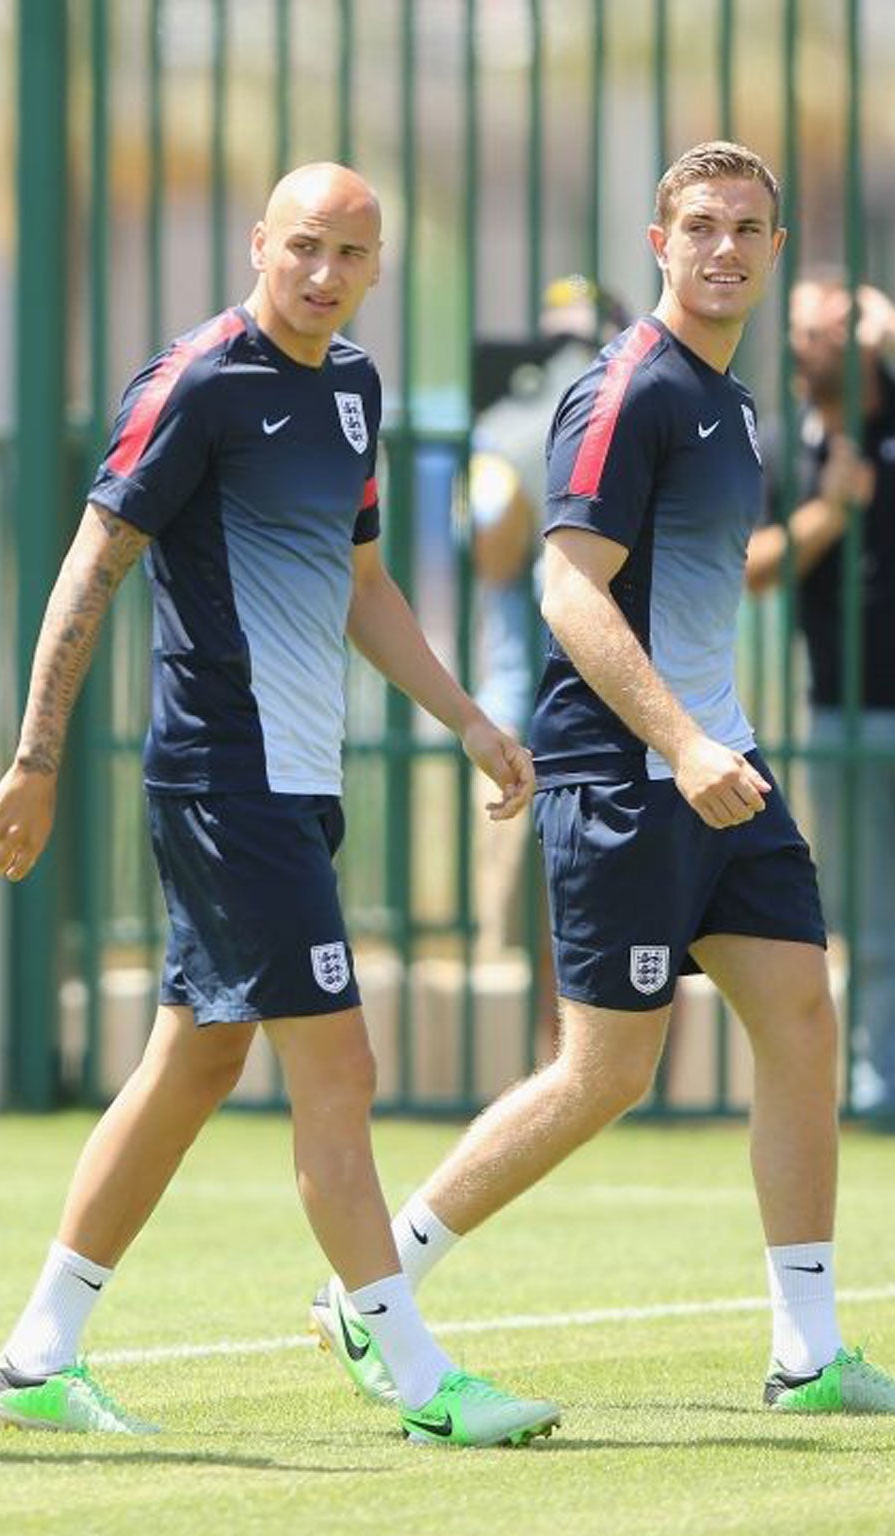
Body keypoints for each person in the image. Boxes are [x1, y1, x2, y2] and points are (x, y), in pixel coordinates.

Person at [0, 164, 560, 1448]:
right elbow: (91, 564)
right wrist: (33, 755)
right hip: (221, 775)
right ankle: (407, 1364)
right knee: (335, 1064)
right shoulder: (193, 380)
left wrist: (462, 715)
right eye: (301, 247)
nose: (322, 275)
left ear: (374, 268)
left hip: (300, 780)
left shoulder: (350, 388)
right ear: (257, 245)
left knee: (192, 1062)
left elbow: (361, 585)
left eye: (350, 255)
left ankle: (34, 1356)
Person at [321, 143, 895, 1416]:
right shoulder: (625, 388)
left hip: (716, 765)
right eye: (700, 225)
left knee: (800, 1018)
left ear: (772, 246)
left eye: (748, 227)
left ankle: (806, 1348)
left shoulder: (731, 404)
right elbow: (563, 585)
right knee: (604, 1074)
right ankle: (368, 1289)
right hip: (626, 776)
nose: (724, 249)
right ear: (658, 242)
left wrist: (714, 743)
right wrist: (680, 745)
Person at [466, 277, 630, 1060]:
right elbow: (495, 555)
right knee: (551, 911)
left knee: (629, 904)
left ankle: (606, 1075)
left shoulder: (631, 419)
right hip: (528, 706)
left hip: (603, 701)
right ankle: (560, 1068)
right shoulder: (509, 427)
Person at [745, 271, 895, 1123]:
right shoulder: (778, 442)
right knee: (869, 914)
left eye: (833, 328)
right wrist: (830, 513)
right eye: (801, 329)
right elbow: (753, 569)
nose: (813, 344)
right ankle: (878, 1093)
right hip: (842, 705)